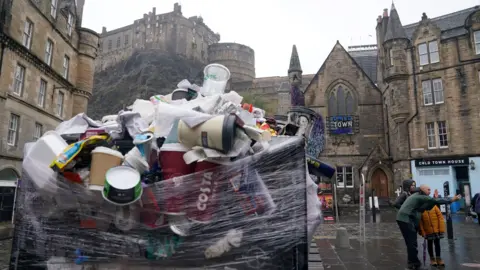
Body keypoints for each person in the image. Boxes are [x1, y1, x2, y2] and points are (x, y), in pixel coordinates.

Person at [397, 184, 461, 270]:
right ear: (422, 190)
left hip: (405, 219)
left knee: (411, 242)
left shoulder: (416, 196)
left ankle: (413, 262)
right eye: (428, 189)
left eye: (430, 190)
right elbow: (435, 200)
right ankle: (414, 264)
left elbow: (424, 207)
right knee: (412, 243)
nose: (429, 191)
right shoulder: (420, 196)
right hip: (406, 219)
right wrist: (452, 199)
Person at [419, 189, 445, 267]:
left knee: (437, 244)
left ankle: (438, 258)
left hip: (436, 229)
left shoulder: (434, 207)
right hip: (428, 230)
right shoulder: (421, 209)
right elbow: (420, 222)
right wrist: (422, 232)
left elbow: (440, 217)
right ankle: (432, 259)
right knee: (429, 244)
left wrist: (441, 229)